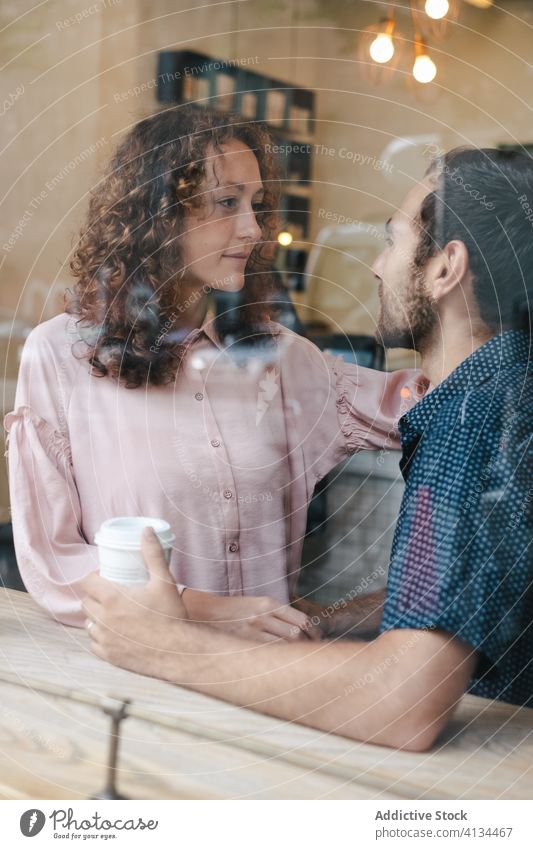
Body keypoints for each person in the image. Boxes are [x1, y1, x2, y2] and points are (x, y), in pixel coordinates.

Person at [83, 147, 533, 751]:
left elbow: (404, 701)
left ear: (445, 267)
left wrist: (167, 646)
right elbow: (476, 585)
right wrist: (329, 618)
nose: (377, 266)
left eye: (394, 241)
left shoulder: (473, 423)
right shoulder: (506, 392)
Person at [5, 106, 423, 640]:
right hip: (137, 683)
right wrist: (203, 608)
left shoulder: (282, 357)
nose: (253, 228)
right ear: (159, 215)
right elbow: (52, 561)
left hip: (274, 685)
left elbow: (427, 407)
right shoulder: (58, 356)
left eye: (257, 205)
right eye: (227, 203)